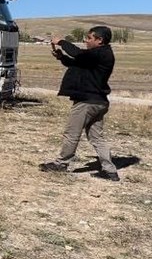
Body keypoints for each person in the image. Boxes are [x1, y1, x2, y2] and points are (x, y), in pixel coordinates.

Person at [40, 25, 119, 181]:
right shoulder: (98, 54)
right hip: (99, 101)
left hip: (87, 102)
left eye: (89, 38)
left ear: (100, 40)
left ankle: (61, 163)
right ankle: (110, 171)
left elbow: (78, 54)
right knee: (97, 137)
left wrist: (61, 41)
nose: (86, 40)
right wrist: (61, 57)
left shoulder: (100, 53)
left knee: (72, 134)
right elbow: (78, 63)